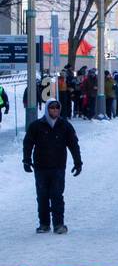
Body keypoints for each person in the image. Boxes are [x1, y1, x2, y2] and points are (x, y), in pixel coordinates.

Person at [23, 99, 82, 234]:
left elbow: (73, 145)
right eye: (52, 108)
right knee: (42, 196)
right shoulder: (36, 126)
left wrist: (78, 162)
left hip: (58, 167)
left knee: (56, 195)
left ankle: (58, 224)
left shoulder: (65, 126)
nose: (55, 110)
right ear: (47, 110)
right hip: (41, 167)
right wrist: (26, 160)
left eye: (57, 108)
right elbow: (28, 143)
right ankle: (44, 224)